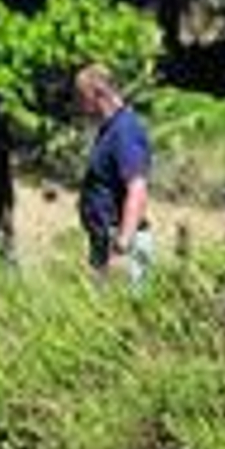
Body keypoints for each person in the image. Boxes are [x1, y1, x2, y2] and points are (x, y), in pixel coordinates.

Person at [75, 64, 153, 286]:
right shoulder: (109, 129)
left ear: (98, 93)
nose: (79, 104)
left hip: (122, 242)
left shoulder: (125, 130)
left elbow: (137, 188)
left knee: (126, 315)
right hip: (106, 241)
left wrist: (123, 244)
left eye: (82, 96)